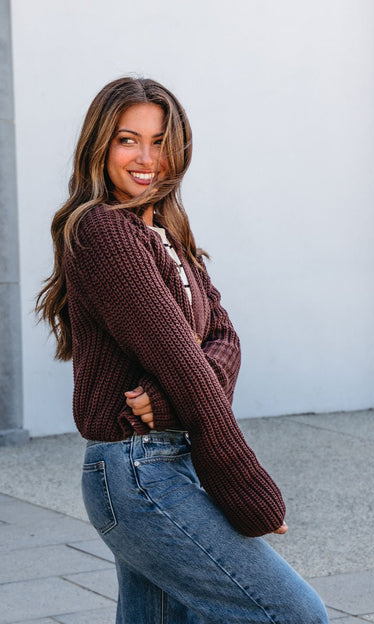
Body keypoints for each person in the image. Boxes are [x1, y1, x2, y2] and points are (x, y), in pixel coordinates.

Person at [36, 76, 328, 623]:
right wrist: (246, 484)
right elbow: (181, 359)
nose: (147, 157)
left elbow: (224, 341)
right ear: (100, 147)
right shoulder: (103, 231)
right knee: (296, 615)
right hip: (139, 471)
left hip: (164, 459)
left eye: (160, 140)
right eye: (128, 139)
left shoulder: (167, 234)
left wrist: (167, 402)